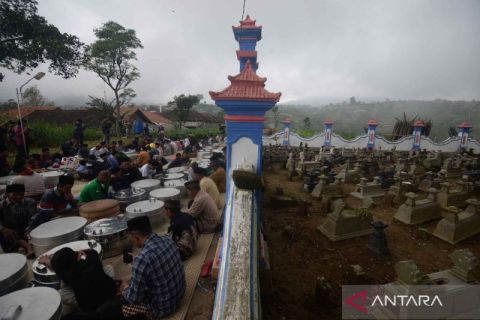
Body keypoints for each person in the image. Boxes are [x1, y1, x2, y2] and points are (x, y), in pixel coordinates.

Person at [121, 216, 185, 319]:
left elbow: (133, 299)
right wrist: (138, 262)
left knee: (120, 307)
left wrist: (124, 288)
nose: (132, 241)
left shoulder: (142, 259)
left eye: (131, 238)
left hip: (161, 309)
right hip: (179, 295)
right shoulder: (168, 240)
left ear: (136, 237)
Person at [38, 247, 116, 316]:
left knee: (60, 293)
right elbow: (90, 251)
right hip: (110, 290)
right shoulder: (92, 256)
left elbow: (55, 268)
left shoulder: (68, 274)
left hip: (90, 305)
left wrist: (46, 260)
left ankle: (78, 307)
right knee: (108, 267)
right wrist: (79, 253)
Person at [0, 184, 37, 256]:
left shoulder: (30, 202)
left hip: (26, 228)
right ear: (7, 194)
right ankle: (27, 247)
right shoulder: (2, 205)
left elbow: (32, 218)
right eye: (15, 195)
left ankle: (25, 247)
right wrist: (3, 229)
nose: (18, 197)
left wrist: (28, 230)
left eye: (21, 194)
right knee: (9, 235)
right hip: (10, 231)